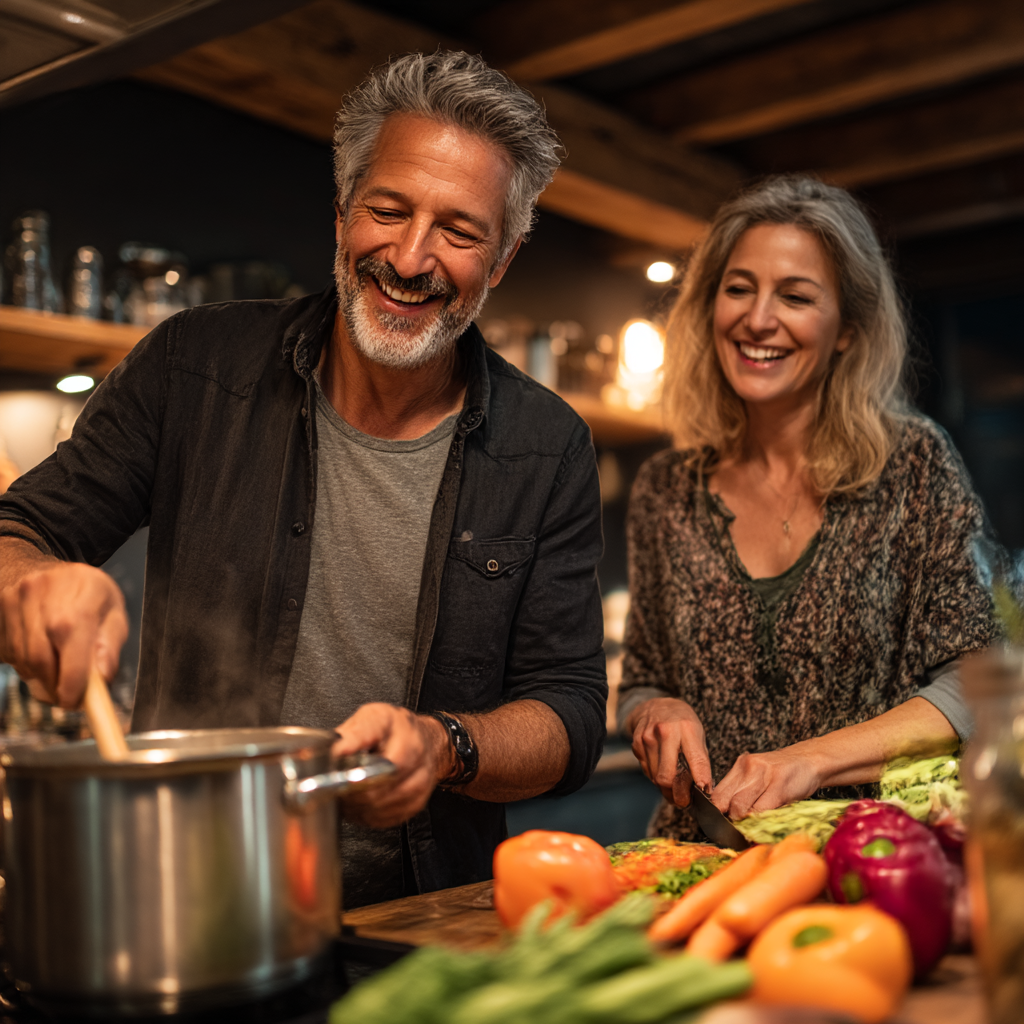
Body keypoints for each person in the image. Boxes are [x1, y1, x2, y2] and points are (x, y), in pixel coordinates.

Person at [0, 52, 607, 907]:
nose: (410, 256)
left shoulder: (548, 445)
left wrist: (444, 747)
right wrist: (31, 586)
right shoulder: (192, 365)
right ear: (340, 215)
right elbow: (20, 533)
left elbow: (572, 713)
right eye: (387, 211)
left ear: (501, 260)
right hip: (187, 898)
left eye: (459, 232)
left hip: (414, 920)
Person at [618, 175, 997, 840]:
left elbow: (976, 680)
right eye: (739, 288)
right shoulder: (665, 488)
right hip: (698, 863)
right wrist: (656, 713)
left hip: (874, 861)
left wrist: (808, 763)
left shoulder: (911, 463)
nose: (758, 319)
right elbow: (643, 679)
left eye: (795, 296)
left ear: (847, 331)